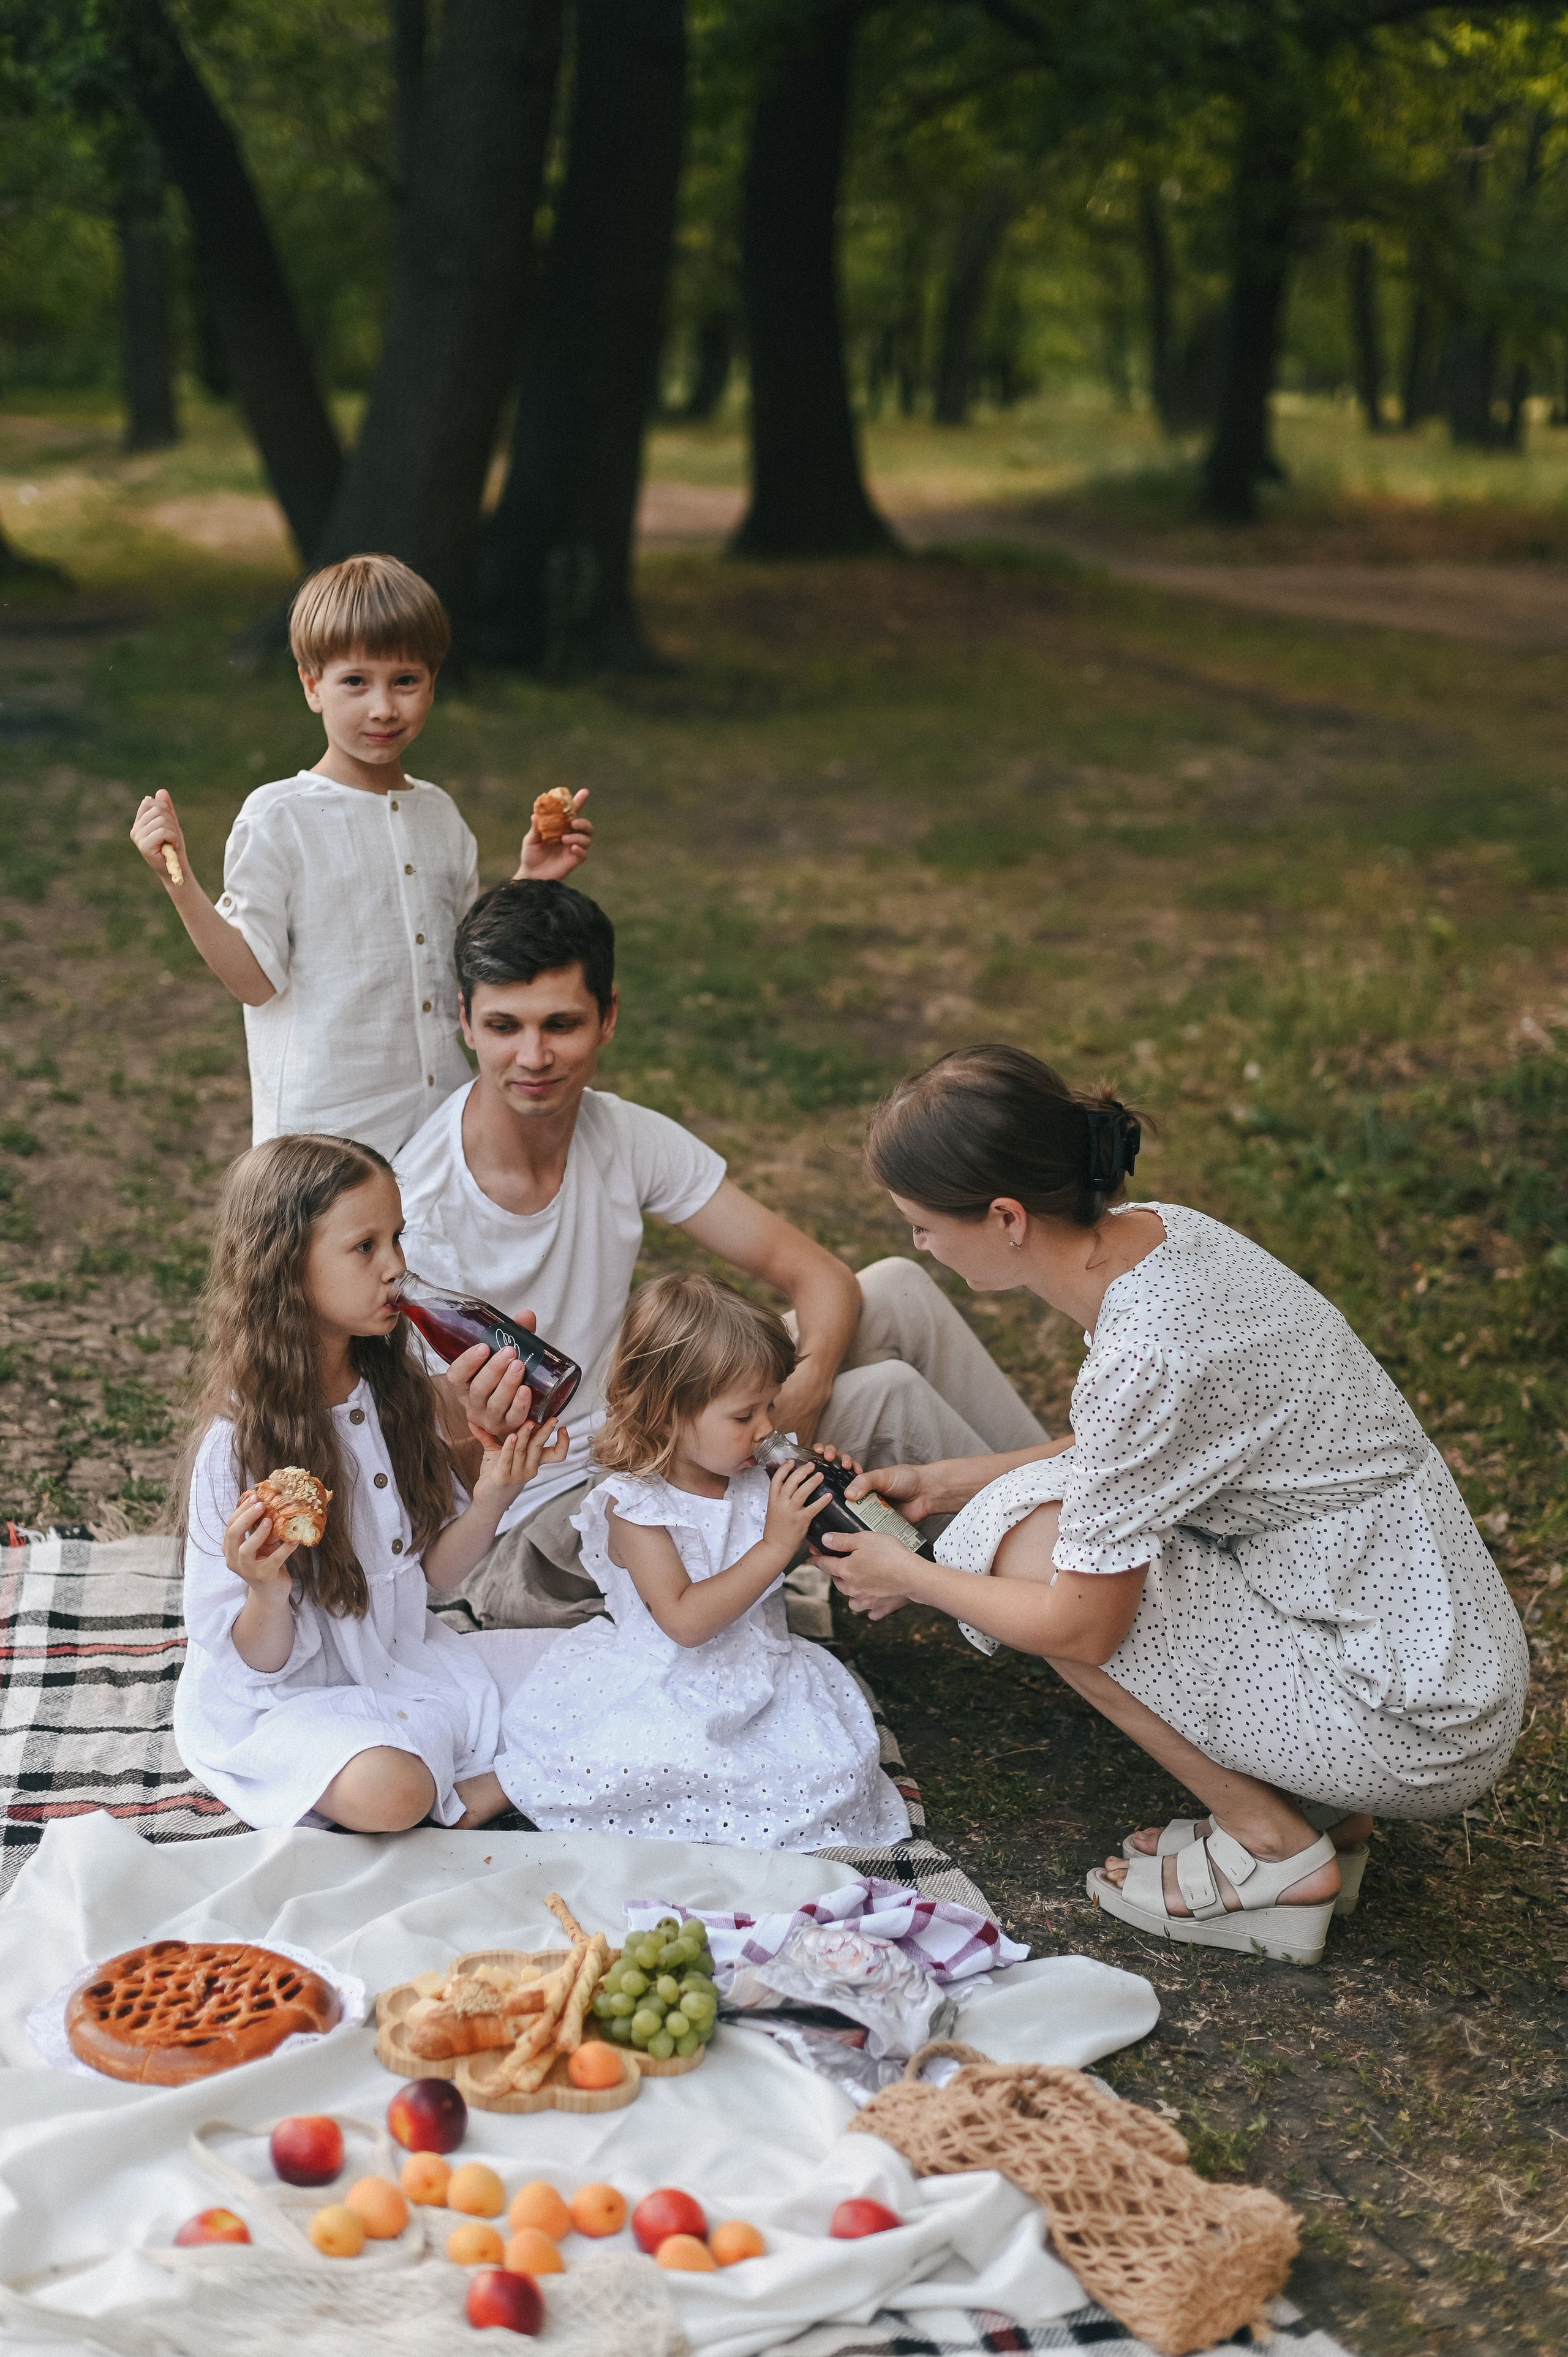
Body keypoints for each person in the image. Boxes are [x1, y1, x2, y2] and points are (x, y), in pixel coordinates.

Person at [820, 1044, 1529, 1966]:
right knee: (1019, 1510)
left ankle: (1275, 1851)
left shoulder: (1145, 1352)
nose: (920, 1246)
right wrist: (952, 1480)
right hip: (1436, 1657)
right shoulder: (1170, 1235)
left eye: (922, 1228)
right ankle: (1326, 1812)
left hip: (1409, 1719)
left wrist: (913, 1573)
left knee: (1023, 1549)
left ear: (1005, 1217)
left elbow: (1080, 1628)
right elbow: (1149, 1446)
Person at [393, 878, 1047, 1630]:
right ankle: (1067, 1593)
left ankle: (1092, 1506)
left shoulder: (619, 1133)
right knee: (884, 1396)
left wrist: (798, 1394)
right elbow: (444, 1470)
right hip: (545, 1525)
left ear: (607, 1019)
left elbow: (820, 1276)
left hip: (641, 1421)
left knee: (895, 1287)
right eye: (505, 1025)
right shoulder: (420, 1209)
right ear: (466, 1024)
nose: (533, 1056)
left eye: (561, 1024)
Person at [127, 552, 593, 1160]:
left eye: (405, 680)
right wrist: (178, 877)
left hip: (441, 1125)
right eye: (356, 681)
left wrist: (529, 877)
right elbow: (252, 980)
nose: (383, 708)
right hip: (326, 1135)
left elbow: (471, 961)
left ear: (432, 682)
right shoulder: (280, 816)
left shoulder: (439, 815)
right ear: (311, 685)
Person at [172, 1133, 568, 1834]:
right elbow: (256, 1660)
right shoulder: (238, 1443)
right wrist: (265, 1587)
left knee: (602, 1667)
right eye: (365, 1247)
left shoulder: (394, 1392)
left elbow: (432, 1574)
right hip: (292, 1700)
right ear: (286, 1267)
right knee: (392, 1791)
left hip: (404, 1661)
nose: (397, 1267)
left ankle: (490, 1775)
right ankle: (500, 1777)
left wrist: (494, 1492)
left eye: (397, 1238)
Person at [494, 1272, 911, 1848]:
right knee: (638, 1765)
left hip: (762, 1671)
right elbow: (686, 1622)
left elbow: (805, 1558)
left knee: (829, 1773)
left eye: (771, 1405)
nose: (768, 1428)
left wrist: (831, 1507)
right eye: (745, 1417)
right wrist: (774, 1544)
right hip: (666, 1681)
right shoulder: (639, 1507)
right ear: (667, 1416)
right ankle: (511, 1787)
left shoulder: (753, 1474)